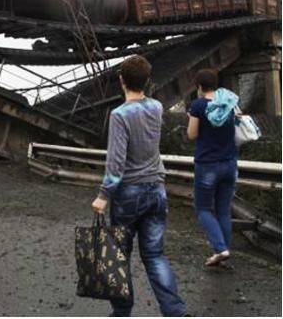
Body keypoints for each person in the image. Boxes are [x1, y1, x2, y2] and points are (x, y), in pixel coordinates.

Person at [91, 55, 187, 317]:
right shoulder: (156, 107)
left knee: (119, 257)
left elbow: (116, 162)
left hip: (129, 194)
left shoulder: (120, 115)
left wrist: (103, 195)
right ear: (147, 80)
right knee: (155, 256)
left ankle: (122, 312)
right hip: (157, 189)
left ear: (121, 80)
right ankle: (175, 310)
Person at [187, 69, 238, 267]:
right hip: (229, 163)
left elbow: (192, 134)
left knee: (203, 209)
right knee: (223, 210)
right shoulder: (228, 104)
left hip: (208, 165)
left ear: (199, 87)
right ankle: (223, 252)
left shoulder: (198, 105)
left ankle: (220, 248)